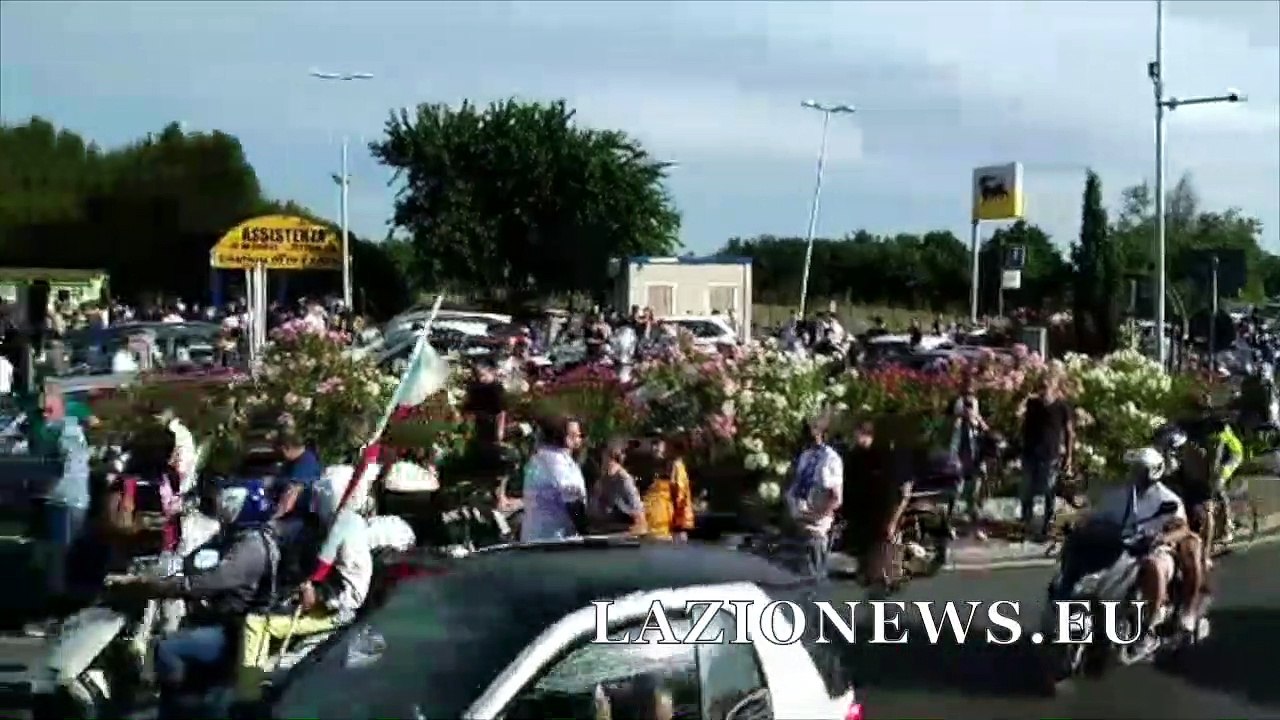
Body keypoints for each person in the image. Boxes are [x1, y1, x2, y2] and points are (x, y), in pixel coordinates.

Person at [138, 481, 278, 720]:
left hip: (234, 630)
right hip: (222, 620)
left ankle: (178, 710)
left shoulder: (251, 547)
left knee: (166, 648)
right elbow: (194, 559)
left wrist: (164, 587)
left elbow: (211, 580)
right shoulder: (239, 536)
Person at [238, 465, 372, 702]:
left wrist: (318, 594)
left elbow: (351, 590)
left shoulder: (347, 530)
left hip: (336, 611)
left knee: (257, 623)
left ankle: (248, 696)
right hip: (321, 600)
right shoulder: (338, 525)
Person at [1091, 447, 1203, 655]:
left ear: (1153, 471)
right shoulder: (1120, 495)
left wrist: (1161, 538)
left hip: (1156, 550)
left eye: (1141, 470)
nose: (1136, 475)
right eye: (1134, 470)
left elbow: (1181, 527)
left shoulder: (1166, 498)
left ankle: (1147, 629)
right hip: (1122, 546)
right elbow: (1098, 517)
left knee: (1153, 566)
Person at [34, 388, 93, 599]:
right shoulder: (65, 430)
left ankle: (56, 607)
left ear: (61, 409)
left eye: (49, 410)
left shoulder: (65, 432)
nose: (44, 415)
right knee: (63, 556)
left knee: (60, 556)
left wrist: (45, 485)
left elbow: (66, 466)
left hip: (65, 500)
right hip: (70, 500)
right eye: (42, 410)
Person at [784, 417, 843, 580]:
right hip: (799, 517)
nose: (812, 435)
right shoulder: (806, 456)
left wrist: (818, 515)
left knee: (814, 572)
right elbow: (798, 483)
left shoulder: (831, 459)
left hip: (817, 522)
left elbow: (836, 497)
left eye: (816, 430)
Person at [1019, 376, 1074, 541]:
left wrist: (1069, 456)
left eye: (1046, 386)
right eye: (1041, 387)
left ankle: (1047, 523)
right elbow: (1020, 417)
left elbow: (1069, 432)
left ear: (1054, 387)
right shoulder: (1032, 404)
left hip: (1050, 454)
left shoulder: (1062, 407)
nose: (1043, 390)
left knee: (1048, 489)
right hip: (1030, 452)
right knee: (1026, 488)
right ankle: (1026, 522)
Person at [520, 415, 588, 541]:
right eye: (573, 435)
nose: (578, 439)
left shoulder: (547, 458)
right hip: (552, 540)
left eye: (578, 435)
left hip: (544, 537)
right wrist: (586, 534)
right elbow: (572, 500)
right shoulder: (554, 460)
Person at [948, 376, 988, 537]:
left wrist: (979, 422)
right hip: (960, 458)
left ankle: (974, 525)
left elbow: (980, 427)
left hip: (973, 458)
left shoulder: (974, 426)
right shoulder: (958, 423)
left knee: (974, 492)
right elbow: (952, 440)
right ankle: (950, 522)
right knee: (956, 491)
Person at [638, 433, 694, 541]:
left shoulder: (677, 467)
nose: (655, 448)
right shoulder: (654, 467)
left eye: (658, 444)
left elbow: (681, 499)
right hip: (650, 529)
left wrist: (680, 528)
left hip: (664, 531)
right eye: (653, 444)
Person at [271, 429, 323, 543]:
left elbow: (290, 496)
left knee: (269, 534)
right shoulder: (291, 463)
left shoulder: (306, 463)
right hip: (291, 516)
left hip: (300, 520)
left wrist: (271, 520)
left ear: (286, 448)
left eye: (279, 450)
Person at [588, 439, 646, 535]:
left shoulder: (624, 480)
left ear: (611, 457)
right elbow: (593, 511)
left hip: (621, 534)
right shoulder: (602, 480)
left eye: (604, 456)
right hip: (603, 531)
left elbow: (639, 512)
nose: (601, 460)